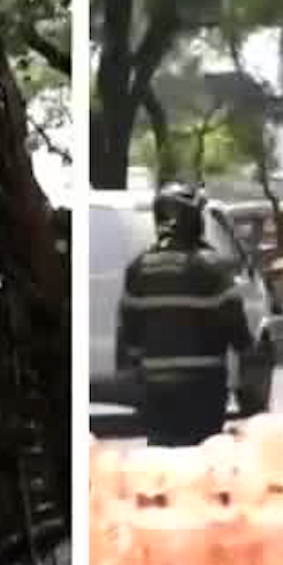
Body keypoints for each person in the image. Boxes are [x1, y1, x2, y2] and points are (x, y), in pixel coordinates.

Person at [119, 183, 253, 447]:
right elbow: (237, 330)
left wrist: (138, 373)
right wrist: (248, 354)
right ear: (193, 220)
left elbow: (129, 334)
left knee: (161, 466)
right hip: (203, 390)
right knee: (203, 466)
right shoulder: (212, 268)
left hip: (156, 392)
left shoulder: (138, 269)